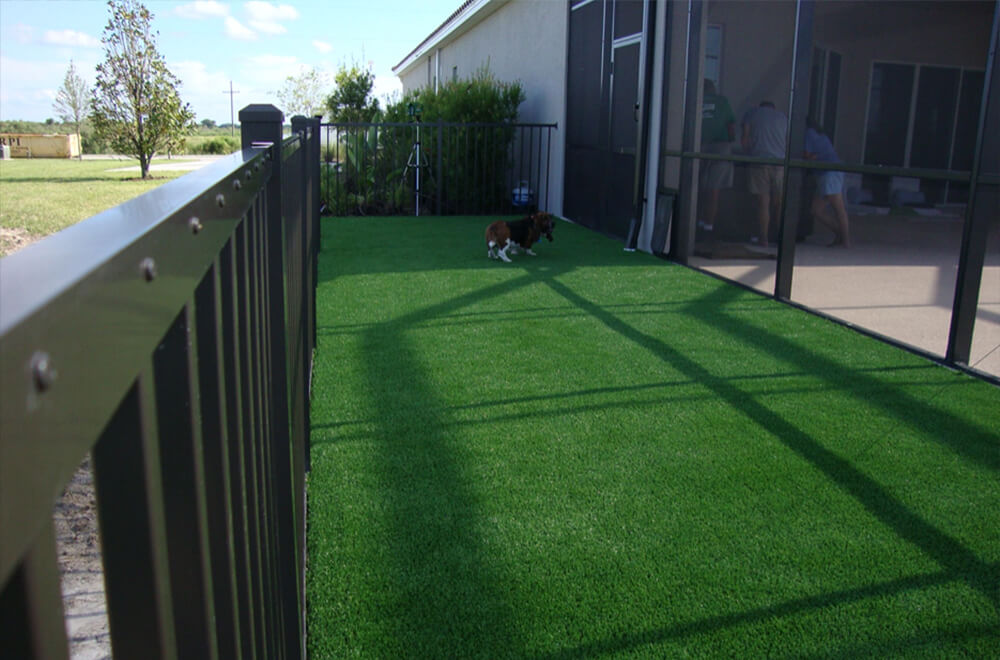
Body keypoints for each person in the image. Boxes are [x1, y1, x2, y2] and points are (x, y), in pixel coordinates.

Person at [741, 101, 787, 245]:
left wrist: (748, 154)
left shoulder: (752, 113)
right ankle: (781, 238)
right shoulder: (783, 117)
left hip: (759, 161)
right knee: (779, 202)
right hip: (780, 163)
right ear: (773, 108)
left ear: (760, 106)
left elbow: (745, 140)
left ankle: (764, 238)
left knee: (763, 202)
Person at [804, 119, 850, 247]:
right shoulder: (820, 135)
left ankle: (845, 241)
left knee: (838, 208)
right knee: (816, 209)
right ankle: (839, 234)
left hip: (828, 173)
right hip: (825, 173)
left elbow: (807, 155)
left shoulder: (808, 133)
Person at [698, 80, 736, 232]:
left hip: (698, 145)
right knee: (714, 189)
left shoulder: (695, 100)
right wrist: (731, 140)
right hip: (721, 146)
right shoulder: (722, 101)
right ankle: (709, 225)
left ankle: (697, 220)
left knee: (696, 186)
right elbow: (731, 125)